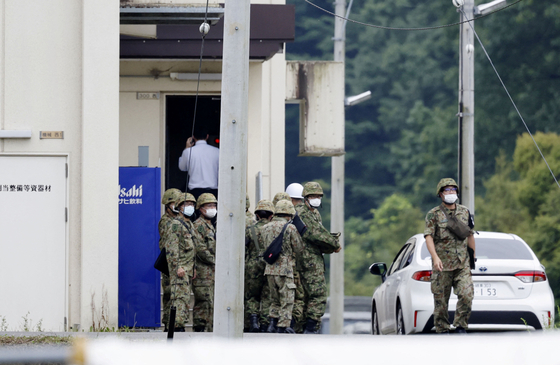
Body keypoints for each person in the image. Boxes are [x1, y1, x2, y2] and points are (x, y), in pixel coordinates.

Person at [424, 178, 475, 334]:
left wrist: (472, 258)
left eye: (453, 189)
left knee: (467, 295)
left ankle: (461, 326)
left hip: (462, 263)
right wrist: (435, 258)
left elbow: (470, 235)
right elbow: (428, 237)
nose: (451, 192)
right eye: (447, 190)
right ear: (440, 194)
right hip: (443, 265)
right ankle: (443, 330)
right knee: (441, 302)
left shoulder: (464, 212)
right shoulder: (433, 214)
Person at [295, 181, 341, 334]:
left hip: (312, 259)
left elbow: (320, 234)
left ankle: (306, 328)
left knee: (307, 297)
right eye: (313, 196)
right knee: (318, 294)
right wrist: (334, 243)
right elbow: (315, 234)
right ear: (305, 197)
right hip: (307, 261)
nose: (316, 199)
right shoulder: (302, 212)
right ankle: (310, 327)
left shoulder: (314, 213)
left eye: (318, 196)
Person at [261, 199, 304, 333]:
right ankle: (283, 326)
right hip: (285, 269)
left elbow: (264, 247)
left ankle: (272, 324)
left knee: (274, 300)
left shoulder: (265, 227)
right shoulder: (290, 228)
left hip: (269, 269)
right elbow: (298, 248)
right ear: (289, 213)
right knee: (287, 298)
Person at [164, 193, 197, 332]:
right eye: (186, 204)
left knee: (184, 299)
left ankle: (180, 325)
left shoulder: (189, 224)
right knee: (179, 299)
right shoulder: (176, 224)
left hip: (188, 269)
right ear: (179, 207)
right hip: (180, 268)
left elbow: (191, 249)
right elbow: (172, 248)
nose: (190, 207)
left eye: (191, 204)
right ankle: (176, 328)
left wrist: (193, 268)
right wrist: (177, 267)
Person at [244, 199, 274, 332]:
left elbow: (243, 248)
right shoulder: (273, 229)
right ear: (271, 216)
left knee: (252, 295)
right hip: (269, 264)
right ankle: (265, 323)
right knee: (267, 295)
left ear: (256, 215)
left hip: (252, 265)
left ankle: (254, 321)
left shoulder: (250, 230)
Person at [192, 193, 218, 332]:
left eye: (214, 205)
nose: (213, 208)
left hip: (211, 274)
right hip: (203, 273)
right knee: (203, 304)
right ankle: (200, 332)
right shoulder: (198, 226)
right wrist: (217, 261)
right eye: (209, 205)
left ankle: (209, 331)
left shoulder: (210, 225)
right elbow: (201, 249)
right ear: (200, 208)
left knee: (211, 304)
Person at [158, 188, 183, 331]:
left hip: (174, 261)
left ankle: (170, 323)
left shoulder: (176, 220)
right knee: (170, 293)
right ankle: (169, 324)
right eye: (175, 203)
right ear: (168, 205)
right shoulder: (167, 221)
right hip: (169, 262)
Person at [178, 128, 219, 200]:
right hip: (213, 191)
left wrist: (187, 148)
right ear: (207, 136)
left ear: (193, 137)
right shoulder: (217, 151)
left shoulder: (188, 151)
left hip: (195, 191)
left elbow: (182, 167)